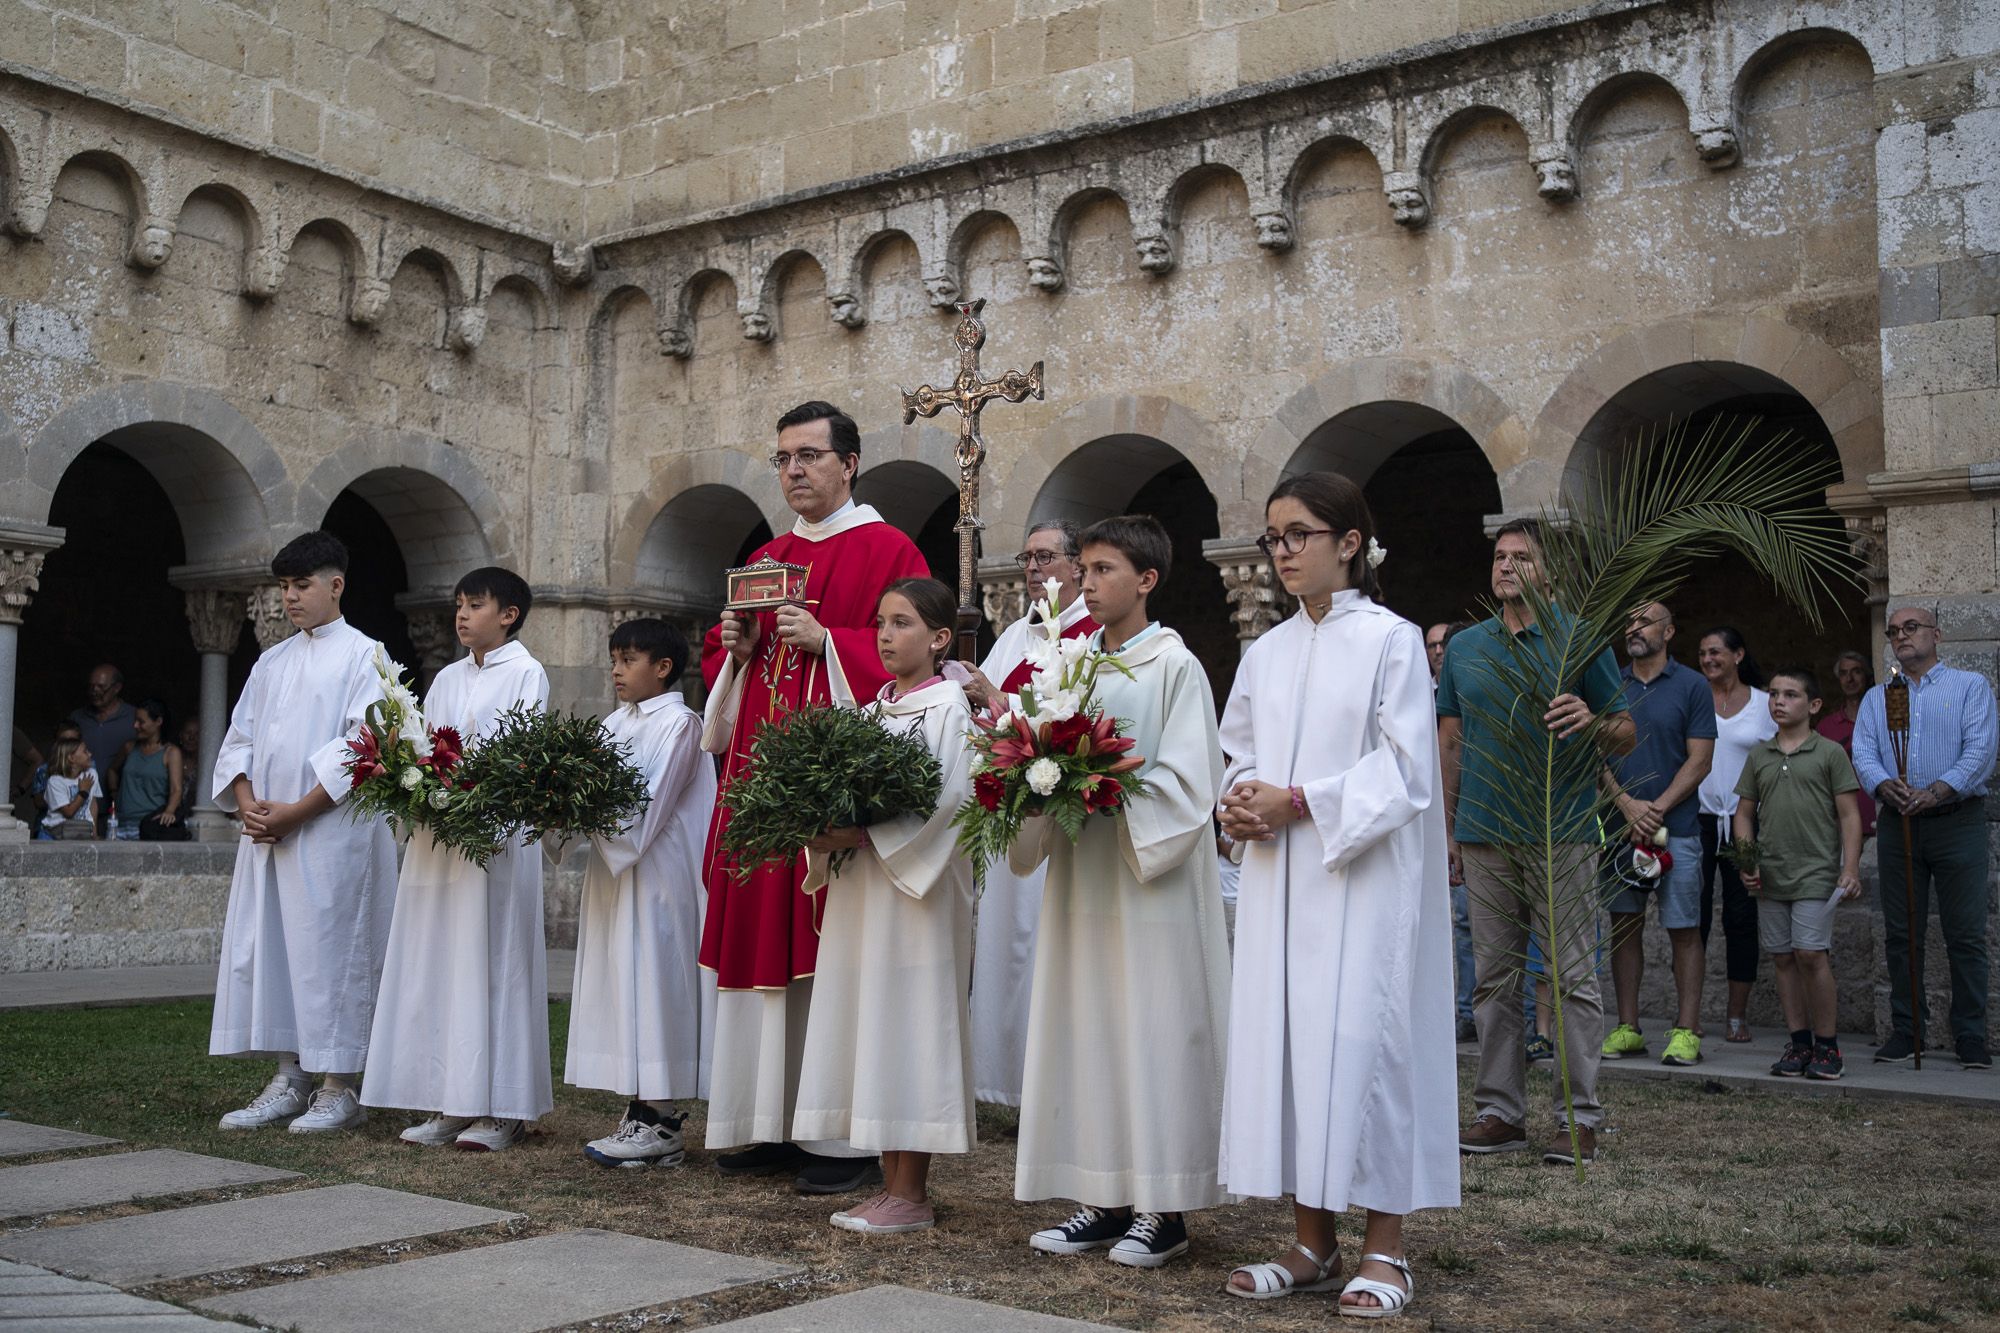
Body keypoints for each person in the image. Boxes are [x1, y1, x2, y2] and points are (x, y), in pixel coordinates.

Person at [1217, 474, 1458, 1316]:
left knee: (1368, 1045)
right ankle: (1310, 1239)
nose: (1282, 552)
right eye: (1273, 539)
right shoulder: (1266, 651)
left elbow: (1406, 768)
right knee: (1290, 1044)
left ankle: (1385, 1247)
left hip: (1362, 880)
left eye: (1298, 534)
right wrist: (1240, 802)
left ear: (1349, 542)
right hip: (1282, 879)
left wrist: (1303, 800)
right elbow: (1237, 751)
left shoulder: (1391, 641)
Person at [700, 401, 928, 1194]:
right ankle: (764, 1120)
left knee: (829, 948)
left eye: (809, 455)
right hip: (763, 791)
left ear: (849, 463)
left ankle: (839, 1137)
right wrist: (736, 648)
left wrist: (829, 640)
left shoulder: (888, 547)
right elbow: (724, 673)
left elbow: (917, 653)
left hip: (834, 796)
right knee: (762, 937)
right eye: (783, 457)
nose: (794, 469)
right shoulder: (766, 554)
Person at [1013, 514, 1231, 1268]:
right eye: (1088, 568)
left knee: (1154, 1028)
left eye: (1106, 569)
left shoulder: (1175, 665)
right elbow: (1038, 741)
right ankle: (1102, 1195)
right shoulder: (1070, 666)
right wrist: (1034, 783)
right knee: (1093, 1026)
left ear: (1146, 580)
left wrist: (1104, 783)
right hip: (1085, 876)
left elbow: (1187, 779)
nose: (1090, 581)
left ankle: (1162, 1205)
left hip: (1151, 885)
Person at [1440, 520, 1633, 1166]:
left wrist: (1593, 721)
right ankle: (1500, 1111)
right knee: (1493, 979)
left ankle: (1579, 1118)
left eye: (1522, 556)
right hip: (1485, 831)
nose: (1506, 565)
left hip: (1563, 830)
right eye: (1499, 555)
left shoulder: (1580, 637)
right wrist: (1449, 827)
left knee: (1572, 975)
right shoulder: (1466, 648)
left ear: (1547, 573)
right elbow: (1450, 742)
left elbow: (1627, 730)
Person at [793, 578, 978, 1235]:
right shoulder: (872, 712)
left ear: (938, 638)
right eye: (880, 621)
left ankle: (913, 1189)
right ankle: (890, 1183)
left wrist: (864, 833)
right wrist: (817, 829)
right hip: (866, 891)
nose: (885, 633)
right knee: (876, 1026)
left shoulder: (951, 708)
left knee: (913, 1026)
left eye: (902, 622)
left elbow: (951, 802)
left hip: (917, 894)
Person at [209, 531, 398, 1134]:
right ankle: (291, 1074)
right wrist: (248, 803)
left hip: (331, 834)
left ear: (335, 585)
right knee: (280, 950)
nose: (290, 598)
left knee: (333, 951)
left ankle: (340, 1085)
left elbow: (364, 745)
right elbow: (239, 738)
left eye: (301, 585)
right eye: (284, 587)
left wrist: (299, 810)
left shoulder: (366, 656)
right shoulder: (272, 660)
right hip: (268, 833)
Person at [364, 567, 553, 1151]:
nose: (462, 615)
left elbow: (520, 754)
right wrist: (414, 783)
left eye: (476, 604)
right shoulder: (445, 676)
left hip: (493, 841)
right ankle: (449, 1097)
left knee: (494, 960)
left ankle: (502, 1107)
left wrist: (475, 804)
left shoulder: (527, 673)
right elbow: (427, 745)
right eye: (459, 604)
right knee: (441, 961)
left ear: (509, 615)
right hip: (440, 836)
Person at [566, 618, 719, 1169]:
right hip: (617, 874)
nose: (616, 670)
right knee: (624, 981)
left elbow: (647, 807)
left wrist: (587, 812)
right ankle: (639, 1109)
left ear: (662, 667)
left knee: (656, 982)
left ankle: (662, 1121)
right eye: (613, 658)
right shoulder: (614, 721)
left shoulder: (680, 724)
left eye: (628, 659)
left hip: (659, 874)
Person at [963, 518, 1098, 1108]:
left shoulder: (1093, 634)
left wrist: (993, 697)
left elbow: (1076, 716)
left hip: (1059, 814)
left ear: (1077, 566)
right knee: (1001, 944)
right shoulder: (1018, 631)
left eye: (1044, 556)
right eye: (1025, 557)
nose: (1032, 567)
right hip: (1009, 810)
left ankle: (1052, 1088)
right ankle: (1001, 1082)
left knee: (1048, 946)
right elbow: (991, 703)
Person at [1852, 606, 1997, 1069]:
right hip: (1900, 822)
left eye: (1910, 628)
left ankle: (1971, 1034)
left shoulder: (1970, 688)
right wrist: (1882, 784)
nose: (1900, 636)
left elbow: (1981, 749)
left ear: (1937, 634)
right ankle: (1907, 1028)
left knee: (1966, 934)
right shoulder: (1880, 696)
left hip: (1956, 819)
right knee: (1902, 931)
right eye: (1893, 631)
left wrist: (1937, 790)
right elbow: (1863, 750)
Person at [1732, 668, 1862, 1081]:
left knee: (1810, 953)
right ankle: (1799, 1042)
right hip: (1771, 875)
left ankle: (1828, 1046)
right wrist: (1747, 861)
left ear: (1814, 705)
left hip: (1815, 872)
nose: (1779, 702)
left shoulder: (1829, 753)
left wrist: (1851, 867)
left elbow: (1849, 815)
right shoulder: (1759, 755)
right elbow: (1744, 815)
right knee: (1783, 958)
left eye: (1790, 695)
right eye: (1773, 694)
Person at [1600, 604, 1715, 1067]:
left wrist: (1657, 809)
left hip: (1679, 831)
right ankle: (1628, 1028)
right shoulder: (1610, 684)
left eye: (1644, 621)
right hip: (1618, 830)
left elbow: (1700, 759)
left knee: (1684, 930)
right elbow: (1595, 755)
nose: (1633, 628)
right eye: (1627, 621)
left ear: (1669, 630)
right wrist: (1627, 807)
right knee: (1623, 927)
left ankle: (1686, 1031)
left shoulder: (1691, 685)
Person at [1693, 626, 1772, 1043]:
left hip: (1744, 822)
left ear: (1738, 655)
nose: (1708, 660)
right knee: (1693, 919)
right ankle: (1690, 1015)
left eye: (1716, 652)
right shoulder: (1693, 698)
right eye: (1703, 653)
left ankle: (1736, 1017)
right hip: (1698, 821)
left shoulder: (1763, 705)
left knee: (1742, 919)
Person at [1436, 620, 1478, 1043]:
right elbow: (1448, 748)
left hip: (1491, 818)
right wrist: (1448, 830)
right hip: (1459, 825)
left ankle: (1528, 1021)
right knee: (1464, 926)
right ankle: (1466, 1011)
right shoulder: (1439, 701)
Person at [1816, 649, 1878, 839]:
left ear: (1867, 676)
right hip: (1839, 826)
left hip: (1878, 821)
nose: (1849, 679)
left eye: (1856, 671)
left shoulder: (1880, 719)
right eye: (1843, 673)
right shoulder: (1826, 727)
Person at [70, 664, 135, 837]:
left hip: (119, 807)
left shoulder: (134, 719)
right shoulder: (77, 718)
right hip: (80, 805)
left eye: (101, 687)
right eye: (91, 686)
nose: (94, 691)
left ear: (117, 688)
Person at [115, 699, 187, 841]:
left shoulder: (170, 753)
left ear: (158, 721)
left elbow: (176, 789)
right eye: (135, 721)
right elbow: (112, 770)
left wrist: (169, 811)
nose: (135, 725)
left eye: (141, 722)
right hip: (120, 823)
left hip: (148, 825)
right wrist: (114, 793)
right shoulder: (129, 748)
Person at [37, 735, 99, 840]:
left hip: (79, 832)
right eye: (85, 751)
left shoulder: (91, 774)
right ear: (71, 758)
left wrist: (94, 831)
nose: (90, 754)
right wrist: (83, 792)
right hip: (54, 836)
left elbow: (92, 803)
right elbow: (68, 813)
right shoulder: (55, 782)